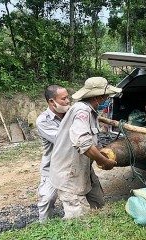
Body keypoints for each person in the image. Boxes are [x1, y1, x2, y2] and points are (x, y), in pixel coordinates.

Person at [49, 77, 121, 219]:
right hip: (69, 172)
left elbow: (90, 140)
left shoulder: (90, 110)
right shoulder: (82, 111)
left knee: (99, 205)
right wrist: (103, 161)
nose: (107, 99)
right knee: (79, 218)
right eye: (106, 96)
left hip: (83, 169)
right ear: (99, 97)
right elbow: (82, 141)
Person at [36, 85, 70, 222]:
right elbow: (63, 140)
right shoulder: (43, 121)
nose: (68, 101)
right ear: (51, 102)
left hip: (72, 163)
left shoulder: (70, 113)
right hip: (53, 166)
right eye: (64, 99)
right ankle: (44, 225)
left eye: (68, 97)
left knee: (83, 194)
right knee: (48, 198)